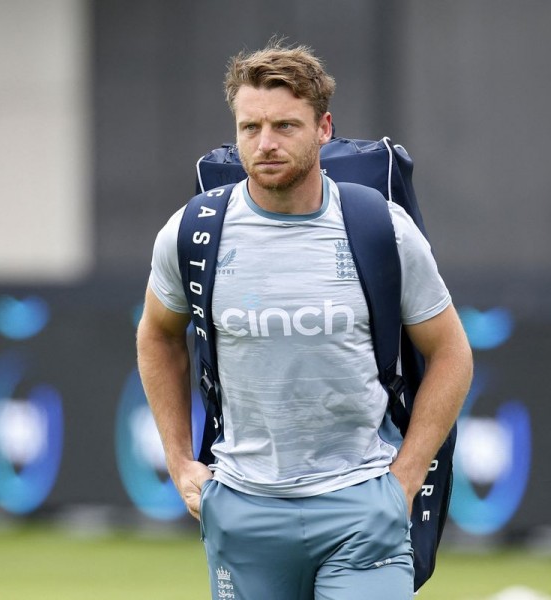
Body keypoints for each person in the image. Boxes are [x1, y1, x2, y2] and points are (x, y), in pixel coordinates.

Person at [136, 40, 473, 600]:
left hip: (363, 510)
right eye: (250, 127)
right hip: (243, 514)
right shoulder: (192, 233)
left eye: (285, 126)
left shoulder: (381, 229)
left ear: (323, 129)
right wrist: (179, 462)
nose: (265, 144)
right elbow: (157, 334)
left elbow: (451, 352)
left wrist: (406, 478)